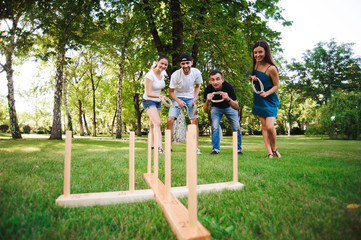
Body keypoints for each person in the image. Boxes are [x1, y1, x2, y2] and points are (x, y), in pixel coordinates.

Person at [249, 40, 281, 158]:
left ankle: (274, 149)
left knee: (269, 126)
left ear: (266, 52)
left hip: (270, 100)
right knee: (264, 126)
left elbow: (277, 85)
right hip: (259, 99)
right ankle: (269, 153)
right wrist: (252, 78)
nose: (257, 55)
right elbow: (257, 81)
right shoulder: (256, 65)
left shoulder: (271, 68)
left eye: (260, 52)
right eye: (255, 52)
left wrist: (266, 93)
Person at [167, 53, 203, 154]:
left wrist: (194, 99)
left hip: (190, 98)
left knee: (194, 121)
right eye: (183, 63)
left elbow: (197, 86)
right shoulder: (175, 75)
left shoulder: (196, 72)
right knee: (170, 120)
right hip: (177, 98)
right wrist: (178, 101)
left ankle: (195, 148)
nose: (186, 66)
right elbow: (171, 92)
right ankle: (168, 147)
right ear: (180, 64)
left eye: (187, 63)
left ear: (191, 62)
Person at [203, 70, 243, 155]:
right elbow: (205, 111)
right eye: (213, 80)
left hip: (229, 107)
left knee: (236, 127)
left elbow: (236, 106)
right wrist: (207, 101)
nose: (215, 82)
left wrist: (228, 98)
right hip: (216, 107)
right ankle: (216, 149)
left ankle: (238, 149)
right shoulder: (208, 90)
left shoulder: (228, 87)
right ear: (210, 81)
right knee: (215, 127)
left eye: (218, 79)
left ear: (222, 80)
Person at [142, 55, 169, 154]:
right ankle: (160, 147)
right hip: (148, 100)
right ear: (157, 62)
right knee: (157, 122)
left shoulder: (163, 74)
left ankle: (152, 146)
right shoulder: (150, 75)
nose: (163, 66)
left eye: (165, 65)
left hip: (157, 101)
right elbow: (148, 92)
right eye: (162, 63)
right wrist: (160, 96)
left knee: (153, 124)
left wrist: (160, 98)